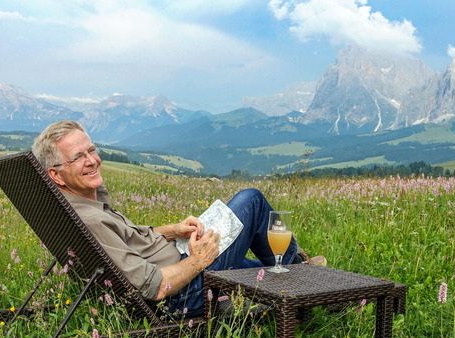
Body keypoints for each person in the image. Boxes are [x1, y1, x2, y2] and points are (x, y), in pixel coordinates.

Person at [32, 120, 323, 317]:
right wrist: (197, 261)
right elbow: (153, 286)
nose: (92, 160)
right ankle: (302, 271)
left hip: (181, 259)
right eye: (78, 157)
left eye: (92, 150)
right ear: (56, 175)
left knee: (259, 271)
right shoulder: (90, 220)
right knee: (251, 200)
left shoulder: (79, 201)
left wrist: (173, 230)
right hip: (185, 293)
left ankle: (303, 277)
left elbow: (127, 243)